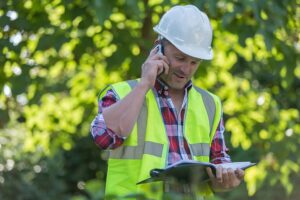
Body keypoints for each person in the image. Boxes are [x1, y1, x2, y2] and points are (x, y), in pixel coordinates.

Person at [91, 4, 244, 199]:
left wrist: (226, 179)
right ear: (158, 48)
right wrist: (145, 84)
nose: (186, 70)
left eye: (194, 62)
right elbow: (104, 137)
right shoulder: (122, 93)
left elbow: (218, 164)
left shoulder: (210, 103)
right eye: (180, 58)